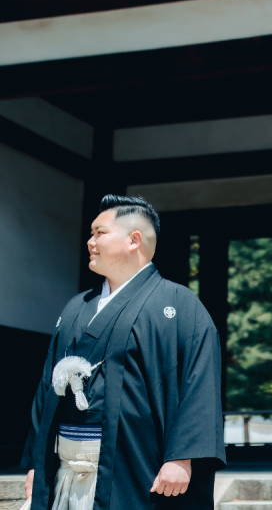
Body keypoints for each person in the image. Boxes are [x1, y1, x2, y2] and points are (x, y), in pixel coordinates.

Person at [21, 195, 225, 510]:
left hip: (138, 466)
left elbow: (200, 385)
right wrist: (38, 461)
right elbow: (47, 390)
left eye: (99, 233)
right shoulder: (77, 307)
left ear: (134, 240)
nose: (90, 242)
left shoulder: (179, 305)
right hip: (67, 466)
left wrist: (182, 457)